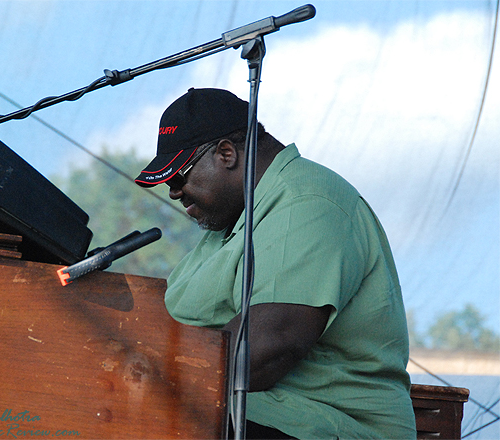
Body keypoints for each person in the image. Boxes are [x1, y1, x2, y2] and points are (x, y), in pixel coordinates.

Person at [135, 88, 416, 439]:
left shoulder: (309, 202)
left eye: (178, 176)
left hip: (320, 424)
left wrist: (140, 374)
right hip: (253, 414)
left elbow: (269, 347)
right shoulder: (235, 221)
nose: (174, 192)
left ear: (226, 153)